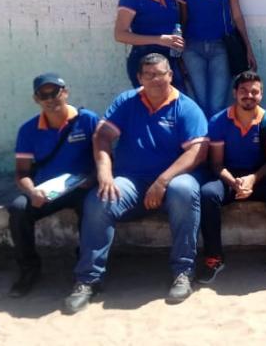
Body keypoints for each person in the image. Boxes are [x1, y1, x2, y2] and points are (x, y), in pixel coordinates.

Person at [64, 54, 208, 313]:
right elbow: (102, 136)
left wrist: (162, 181)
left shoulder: (186, 107)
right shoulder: (127, 101)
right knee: (99, 199)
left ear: (170, 75)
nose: (155, 79)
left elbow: (197, 152)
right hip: (131, 180)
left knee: (185, 190)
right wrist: (104, 172)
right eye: (149, 75)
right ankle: (88, 279)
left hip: (172, 180)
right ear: (140, 77)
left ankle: (183, 272)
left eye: (160, 74)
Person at [7, 73, 100, 298]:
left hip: (82, 188)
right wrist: (32, 191)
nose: (50, 99)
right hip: (47, 190)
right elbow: (21, 173)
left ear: (65, 92)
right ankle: (29, 269)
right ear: (36, 99)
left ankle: (85, 269)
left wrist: (93, 178)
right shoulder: (28, 130)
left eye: (55, 93)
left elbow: (104, 158)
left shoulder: (88, 120)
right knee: (18, 209)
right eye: (43, 95)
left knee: (93, 207)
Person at [197, 70, 266, 284]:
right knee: (208, 194)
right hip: (228, 177)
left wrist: (252, 179)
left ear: (261, 94)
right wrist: (234, 182)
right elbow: (216, 163)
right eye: (243, 91)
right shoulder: (219, 120)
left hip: (259, 175)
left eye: (254, 92)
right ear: (235, 93)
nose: (249, 96)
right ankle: (214, 257)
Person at [176, 0, 258, 117]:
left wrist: (248, 48)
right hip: (192, 49)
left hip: (221, 47)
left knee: (216, 103)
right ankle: (203, 136)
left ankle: (215, 136)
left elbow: (237, 15)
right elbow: (183, 19)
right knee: (199, 102)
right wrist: (179, 53)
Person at [114, 0, 185, 89]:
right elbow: (120, 35)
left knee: (176, 99)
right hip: (145, 61)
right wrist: (159, 39)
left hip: (171, 60)